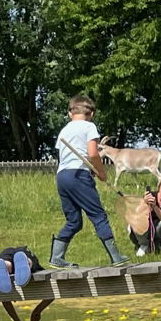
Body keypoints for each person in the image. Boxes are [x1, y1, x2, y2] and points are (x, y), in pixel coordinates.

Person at [50, 94, 124, 267]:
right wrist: (100, 171)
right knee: (98, 215)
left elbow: (65, 157)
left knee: (74, 221)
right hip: (79, 175)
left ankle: (56, 257)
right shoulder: (89, 127)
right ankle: (116, 257)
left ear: (70, 113)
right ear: (92, 113)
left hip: (62, 176)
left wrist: (90, 170)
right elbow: (92, 153)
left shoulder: (65, 130)